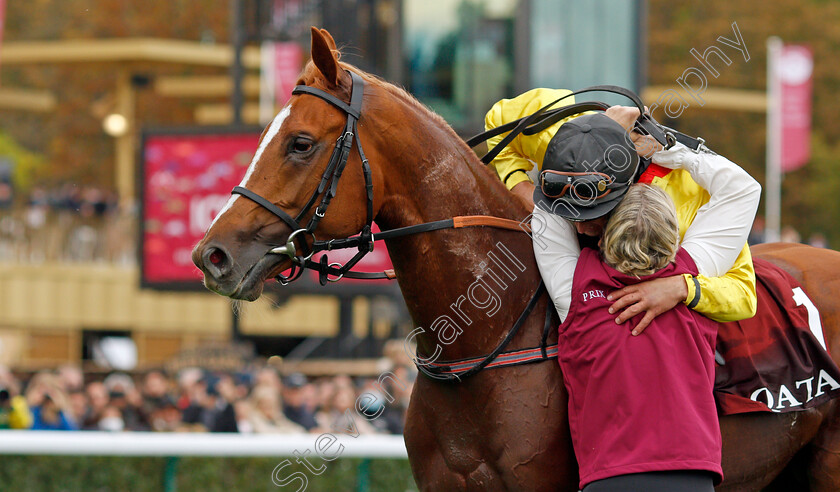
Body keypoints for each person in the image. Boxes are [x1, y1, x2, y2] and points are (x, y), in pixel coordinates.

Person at [528, 114, 761, 491]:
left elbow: (547, 214)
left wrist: (594, 138)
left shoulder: (574, 290)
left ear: (603, 237)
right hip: (692, 475)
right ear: (676, 234)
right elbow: (743, 188)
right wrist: (668, 150)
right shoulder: (692, 274)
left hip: (608, 477)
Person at [485, 89, 760, 331]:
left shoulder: (689, 196)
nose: (579, 227)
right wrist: (519, 187)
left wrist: (682, 287)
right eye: (572, 215)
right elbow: (498, 118)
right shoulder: (567, 145)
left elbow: (744, 295)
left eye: (595, 216)